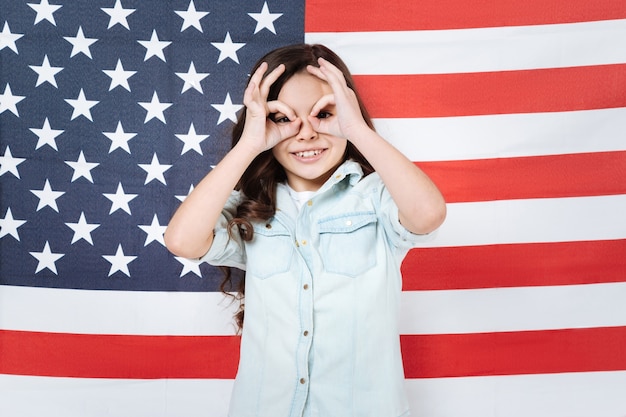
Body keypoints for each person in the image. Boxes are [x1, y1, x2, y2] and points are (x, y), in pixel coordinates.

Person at [165, 44, 446, 417]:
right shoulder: (252, 208)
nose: (306, 133)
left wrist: (355, 130)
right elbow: (181, 240)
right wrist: (250, 144)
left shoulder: (374, 197)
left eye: (324, 113)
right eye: (284, 118)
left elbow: (428, 214)